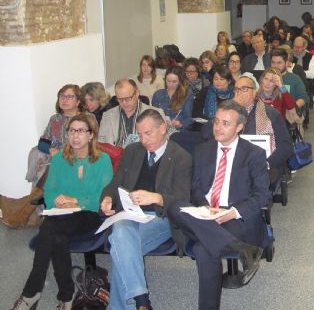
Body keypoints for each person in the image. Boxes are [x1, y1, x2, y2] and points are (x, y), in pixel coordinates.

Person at [167, 100, 270, 310]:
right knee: (174, 207)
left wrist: (231, 213)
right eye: (216, 121)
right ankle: (243, 250)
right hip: (205, 213)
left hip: (234, 217)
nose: (217, 127)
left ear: (239, 127)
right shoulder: (203, 149)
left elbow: (262, 195)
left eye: (225, 123)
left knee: (203, 250)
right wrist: (204, 207)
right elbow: (195, 188)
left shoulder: (254, 154)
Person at [12, 114, 113, 310]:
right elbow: (49, 191)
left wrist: (75, 201)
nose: (75, 136)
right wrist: (57, 202)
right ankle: (65, 296)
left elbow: (101, 196)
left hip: (89, 215)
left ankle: (31, 293)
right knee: (56, 236)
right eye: (71, 131)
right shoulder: (59, 159)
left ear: (91, 135)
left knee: (49, 229)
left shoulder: (103, 160)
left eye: (81, 131)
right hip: (61, 215)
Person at [100, 109, 192, 310]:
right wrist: (107, 197)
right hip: (130, 214)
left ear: (163, 128)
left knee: (120, 243)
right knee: (123, 237)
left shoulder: (181, 157)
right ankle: (142, 302)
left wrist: (157, 197)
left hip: (160, 217)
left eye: (148, 133)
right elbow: (116, 183)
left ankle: (131, 304)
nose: (143, 140)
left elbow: (183, 200)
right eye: (140, 134)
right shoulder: (133, 151)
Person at [232, 75, 293, 186]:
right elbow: (210, 134)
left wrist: (266, 163)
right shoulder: (227, 113)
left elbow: (286, 147)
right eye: (236, 89)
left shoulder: (271, 114)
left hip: (265, 165)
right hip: (233, 162)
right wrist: (231, 108)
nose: (239, 93)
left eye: (244, 89)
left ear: (254, 92)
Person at [27, 85, 85, 187]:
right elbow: (43, 141)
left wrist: (62, 152)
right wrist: (50, 150)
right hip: (54, 154)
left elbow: (89, 144)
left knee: (55, 163)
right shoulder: (55, 118)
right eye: (62, 96)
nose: (64, 100)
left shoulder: (86, 118)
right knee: (36, 152)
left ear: (78, 101)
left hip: (76, 154)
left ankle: (42, 195)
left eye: (69, 97)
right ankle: (38, 194)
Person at [98, 79, 166, 147]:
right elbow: (100, 143)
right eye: (120, 99)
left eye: (128, 98)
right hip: (114, 156)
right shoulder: (107, 115)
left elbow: (164, 141)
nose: (124, 103)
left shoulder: (156, 113)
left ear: (137, 93)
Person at [152, 66, 194, 130]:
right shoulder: (158, 94)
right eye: (168, 81)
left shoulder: (187, 94)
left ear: (180, 81)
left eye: (174, 82)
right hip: (160, 129)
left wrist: (180, 124)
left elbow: (188, 118)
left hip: (179, 131)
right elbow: (153, 116)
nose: (170, 84)